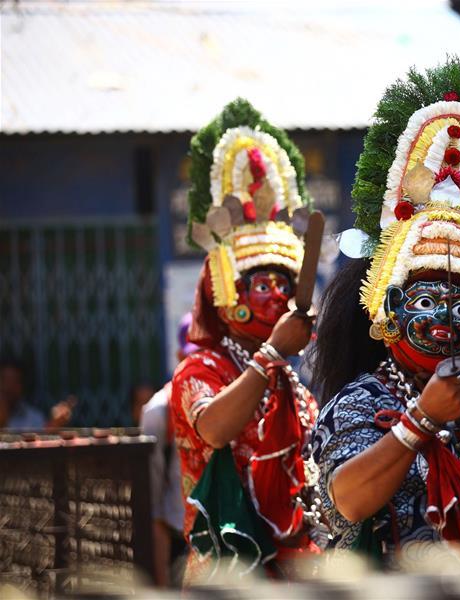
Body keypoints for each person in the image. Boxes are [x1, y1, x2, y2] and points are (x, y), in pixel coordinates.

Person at [310, 58, 460, 567]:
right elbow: (348, 498)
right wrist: (420, 420)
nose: (446, 317)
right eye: (426, 299)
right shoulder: (361, 400)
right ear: (390, 305)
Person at [170, 98, 324, 583]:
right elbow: (214, 429)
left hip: (294, 566)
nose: (278, 295)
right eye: (262, 284)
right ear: (227, 296)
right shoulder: (202, 371)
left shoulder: (293, 384)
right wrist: (273, 352)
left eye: (285, 283)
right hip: (228, 570)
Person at [140, 314, 197, 587]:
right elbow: (153, 507)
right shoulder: (159, 412)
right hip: (180, 542)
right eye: (194, 357)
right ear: (178, 356)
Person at [0, 358, 75, 430]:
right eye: (4, 380)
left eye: (15, 381)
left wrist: (55, 424)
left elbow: (41, 438)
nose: (8, 387)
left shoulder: (34, 418)